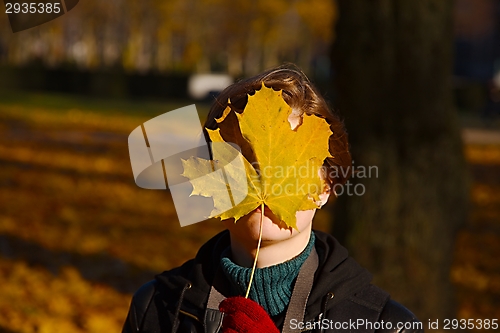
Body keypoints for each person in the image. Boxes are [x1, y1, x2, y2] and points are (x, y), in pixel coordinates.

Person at [122, 65, 423, 333]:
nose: (266, 176)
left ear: (326, 187)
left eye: (291, 165)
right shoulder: (154, 309)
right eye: (242, 158)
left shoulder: (388, 326)